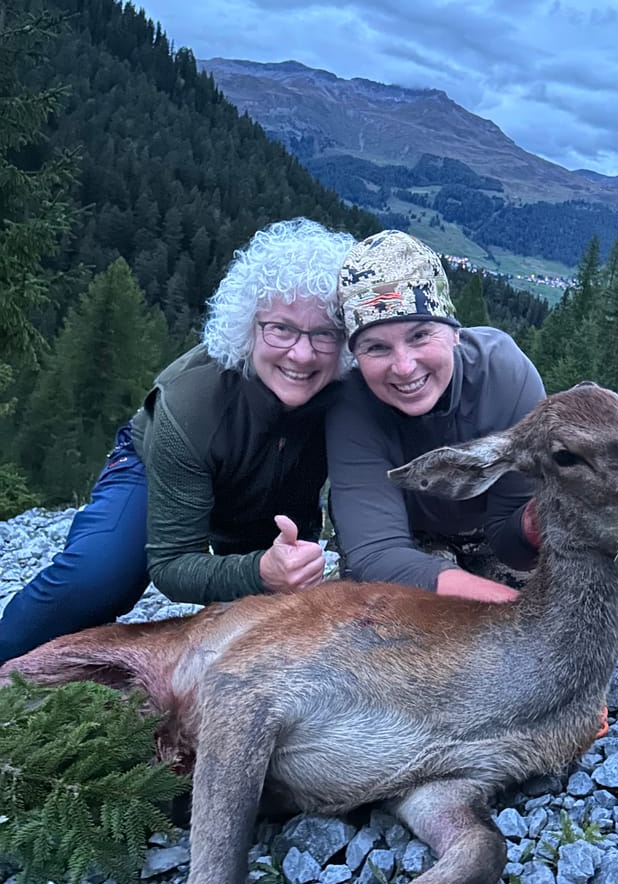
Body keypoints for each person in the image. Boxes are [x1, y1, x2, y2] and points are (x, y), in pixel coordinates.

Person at [0, 217, 356, 665]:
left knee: (277, 619)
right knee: (98, 577)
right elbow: (171, 566)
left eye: (323, 334)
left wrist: (279, 568)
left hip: (267, 488)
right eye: (281, 329)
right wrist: (258, 569)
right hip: (157, 463)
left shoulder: (348, 390)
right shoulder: (190, 402)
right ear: (248, 327)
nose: (302, 354)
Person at [327, 229, 546, 603]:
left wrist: (532, 524)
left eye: (420, 336)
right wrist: (516, 610)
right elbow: (377, 554)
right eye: (376, 347)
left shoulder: (504, 374)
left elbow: (511, 541)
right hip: (407, 541)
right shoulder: (351, 403)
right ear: (355, 355)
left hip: (487, 540)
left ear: (454, 332)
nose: (404, 366)